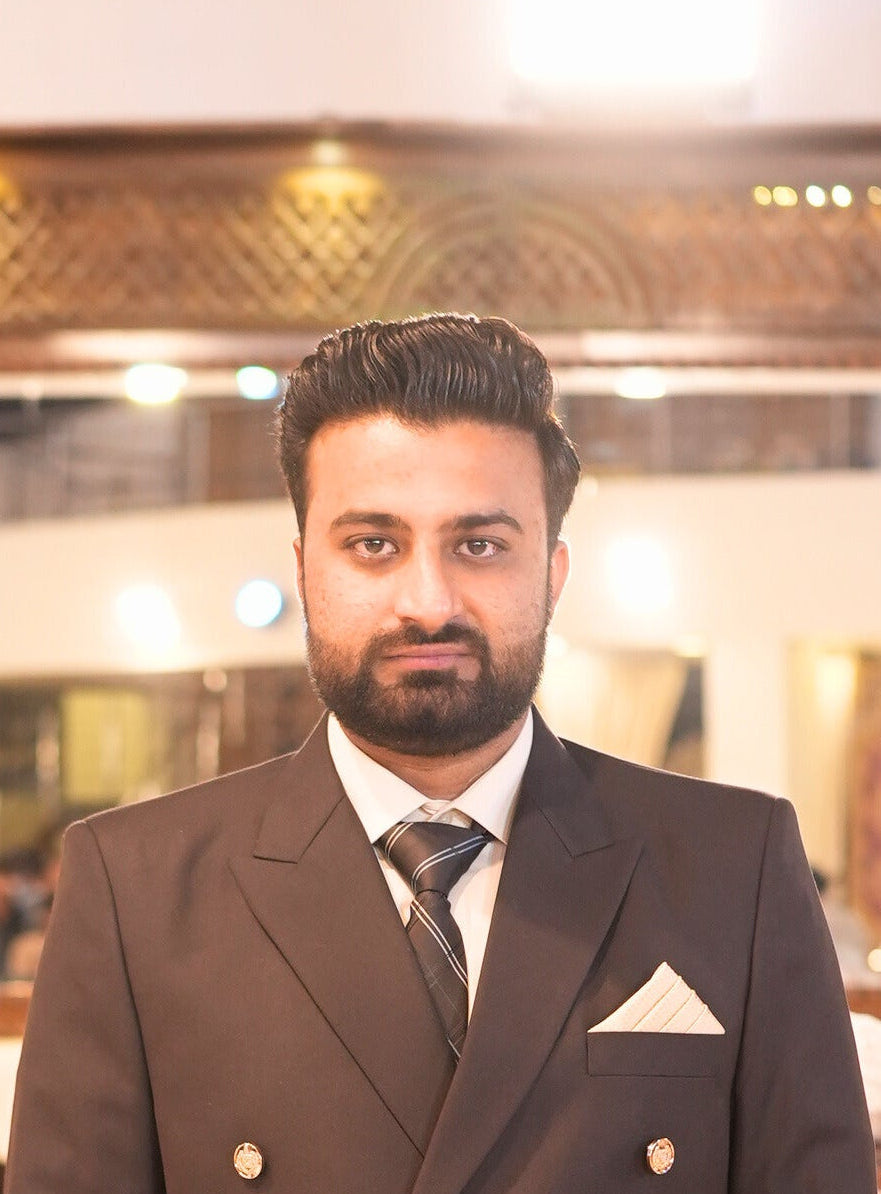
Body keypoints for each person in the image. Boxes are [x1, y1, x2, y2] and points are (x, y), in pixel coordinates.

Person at [6, 314, 874, 1193]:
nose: (426, 601)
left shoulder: (733, 866)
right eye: (372, 544)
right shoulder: (136, 886)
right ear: (307, 570)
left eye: (479, 544)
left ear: (553, 573)